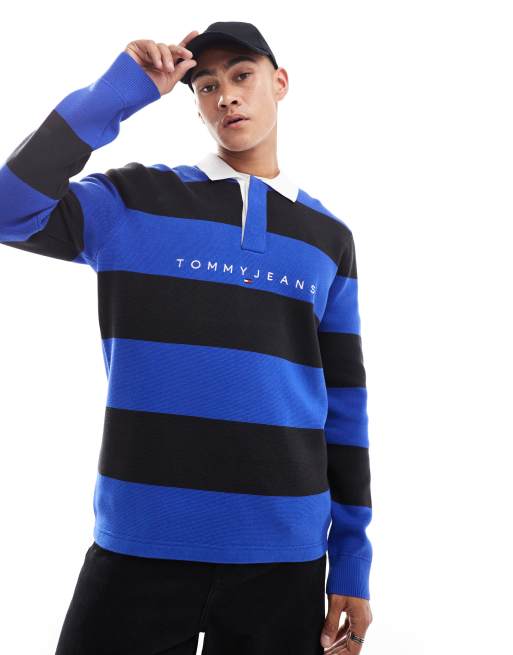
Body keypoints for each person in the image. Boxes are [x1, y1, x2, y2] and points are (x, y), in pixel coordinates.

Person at [0, 21, 373, 655]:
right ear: (195, 103)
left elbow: (344, 408)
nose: (227, 95)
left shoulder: (327, 237)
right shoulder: (131, 201)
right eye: (206, 85)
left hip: (282, 560)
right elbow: (10, 209)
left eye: (242, 75)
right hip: (140, 545)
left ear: (279, 83)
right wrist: (118, 92)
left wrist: (353, 563)